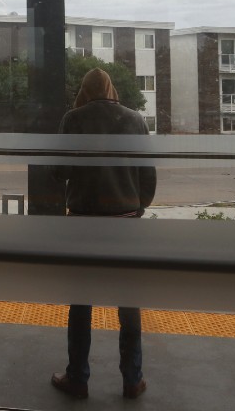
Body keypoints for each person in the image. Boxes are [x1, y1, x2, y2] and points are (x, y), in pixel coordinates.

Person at [50, 67, 156, 401]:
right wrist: (137, 207)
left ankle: (78, 378)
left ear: (84, 90)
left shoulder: (73, 118)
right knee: (129, 302)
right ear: (111, 89)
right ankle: (132, 379)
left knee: (81, 301)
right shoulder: (135, 119)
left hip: (83, 219)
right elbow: (147, 175)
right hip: (125, 219)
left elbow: (59, 172)